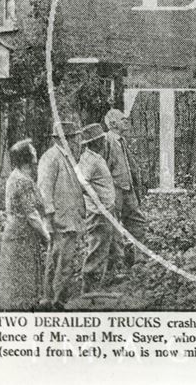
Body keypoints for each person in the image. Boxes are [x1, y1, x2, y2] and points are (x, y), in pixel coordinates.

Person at [0, 139, 51, 310]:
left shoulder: (18, 176)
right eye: (32, 150)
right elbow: (31, 215)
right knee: (22, 279)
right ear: (26, 156)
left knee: (18, 278)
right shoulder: (22, 180)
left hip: (18, 233)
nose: (35, 151)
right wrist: (46, 235)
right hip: (21, 235)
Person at [37, 121, 85, 310]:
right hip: (60, 219)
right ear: (62, 139)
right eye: (73, 137)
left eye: (75, 137)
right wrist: (48, 218)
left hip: (68, 218)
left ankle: (53, 298)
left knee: (61, 259)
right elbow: (44, 190)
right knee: (60, 260)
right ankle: (55, 300)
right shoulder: (51, 158)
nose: (76, 141)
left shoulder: (65, 157)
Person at [104, 109, 146, 273]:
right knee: (114, 226)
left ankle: (139, 259)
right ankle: (118, 263)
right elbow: (104, 168)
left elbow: (130, 166)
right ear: (113, 124)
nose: (126, 122)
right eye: (123, 119)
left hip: (128, 189)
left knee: (137, 221)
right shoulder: (107, 141)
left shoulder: (122, 141)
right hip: (115, 190)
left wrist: (136, 183)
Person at [79, 123, 116, 294]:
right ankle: (88, 289)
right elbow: (83, 183)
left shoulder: (96, 157)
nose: (103, 142)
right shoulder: (89, 160)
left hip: (106, 210)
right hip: (98, 213)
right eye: (100, 139)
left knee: (105, 247)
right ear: (94, 142)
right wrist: (98, 204)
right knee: (96, 248)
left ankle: (100, 285)